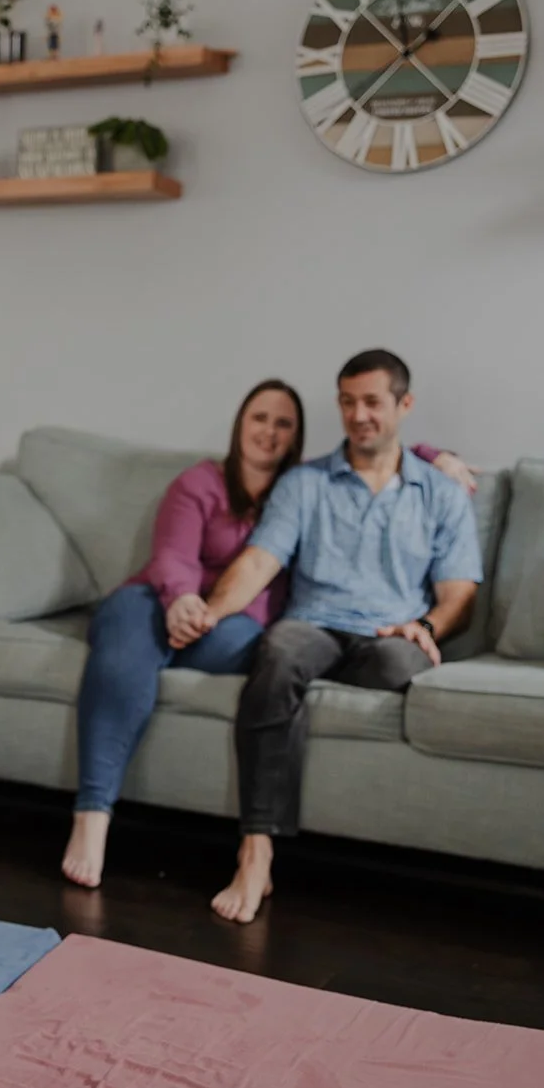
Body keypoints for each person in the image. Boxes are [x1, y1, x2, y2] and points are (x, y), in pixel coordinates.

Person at [63, 380, 473, 890]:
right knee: (131, 640)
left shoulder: (300, 484)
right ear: (240, 423)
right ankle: (93, 815)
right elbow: (175, 556)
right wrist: (185, 604)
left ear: (297, 437)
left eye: (283, 424)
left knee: (272, 652)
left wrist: (433, 455)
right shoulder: (204, 482)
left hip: (234, 626)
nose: (269, 432)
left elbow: (379, 447)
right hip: (168, 601)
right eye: (259, 418)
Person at [194, 350, 482, 924]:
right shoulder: (305, 484)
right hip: (314, 626)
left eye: (372, 402)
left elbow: (459, 596)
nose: (359, 415)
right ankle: (256, 849)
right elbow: (258, 562)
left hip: (388, 634)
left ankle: (301, 692)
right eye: (348, 402)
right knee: (279, 654)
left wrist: (424, 627)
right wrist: (209, 612)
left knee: (406, 666)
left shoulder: (440, 492)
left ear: (404, 405)